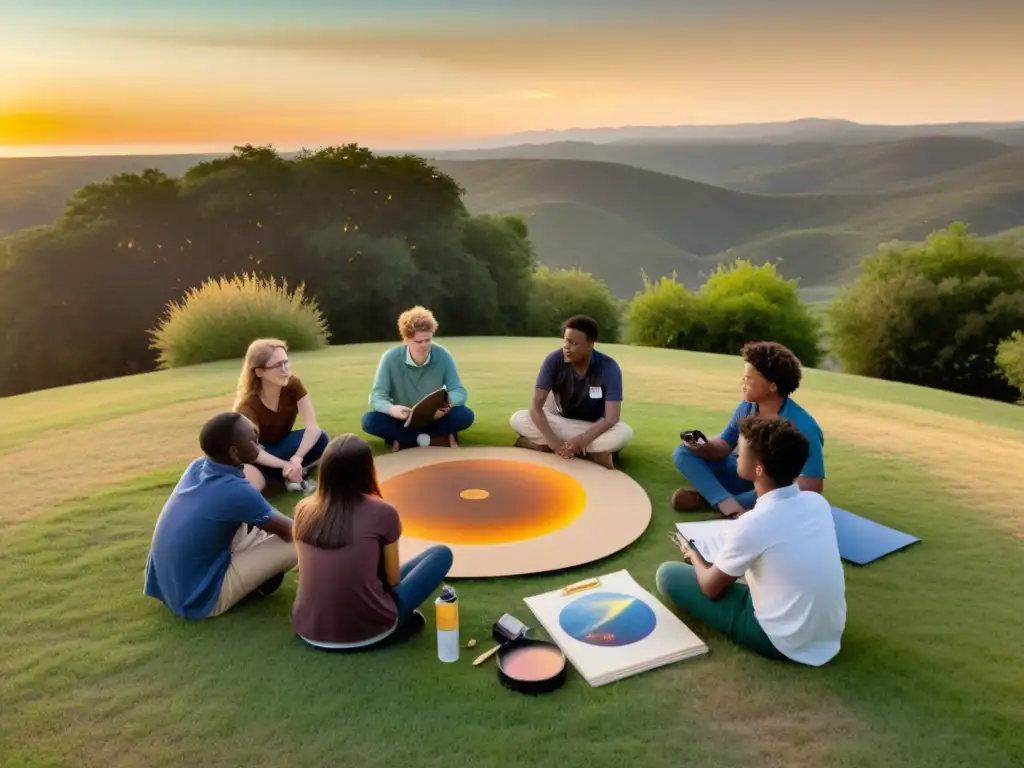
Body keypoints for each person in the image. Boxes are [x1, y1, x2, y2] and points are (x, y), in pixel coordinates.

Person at [656, 416, 846, 666]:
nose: (735, 453)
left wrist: (693, 555)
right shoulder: (817, 503)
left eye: (741, 450)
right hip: (829, 634)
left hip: (781, 640)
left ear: (758, 468)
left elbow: (710, 588)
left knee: (668, 575)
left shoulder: (754, 522)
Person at [290, 433, 454, 650]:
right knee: (441, 554)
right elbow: (393, 580)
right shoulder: (382, 512)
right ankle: (395, 624)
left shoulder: (304, 509)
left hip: (308, 629)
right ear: (367, 469)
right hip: (370, 630)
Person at [143, 412, 299, 620]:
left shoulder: (197, 467)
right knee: (299, 543)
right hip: (198, 599)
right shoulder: (234, 491)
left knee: (252, 523)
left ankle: (255, 557)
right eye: (253, 440)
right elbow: (295, 532)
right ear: (234, 453)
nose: (259, 444)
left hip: (169, 588)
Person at [672, 340, 824, 517]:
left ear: (772, 386)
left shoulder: (804, 426)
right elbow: (723, 445)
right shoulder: (747, 406)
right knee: (683, 453)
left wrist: (755, 497)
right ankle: (724, 502)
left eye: (748, 379)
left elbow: (811, 485)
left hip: (771, 487)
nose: (742, 384)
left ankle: (717, 499)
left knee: (775, 486)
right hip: (742, 470)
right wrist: (702, 446)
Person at [510, 314, 633, 469]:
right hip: (559, 419)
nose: (567, 347)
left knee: (624, 433)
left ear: (590, 345)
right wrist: (555, 443)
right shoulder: (554, 360)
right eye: (566, 341)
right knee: (519, 418)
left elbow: (611, 418)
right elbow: (536, 408)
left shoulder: (609, 367)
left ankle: (542, 445)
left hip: (592, 426)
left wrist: (580, 440)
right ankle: (591, 454)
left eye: (573, 343)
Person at [360, 306, 474, 451]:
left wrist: (446, 406)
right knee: (369, 420)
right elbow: (377, 396)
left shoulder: (443, 355)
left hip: (435, 417)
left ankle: (406, 439)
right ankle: (429, 437)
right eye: (418, 342)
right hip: (403, 418)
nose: (424, 346)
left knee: (465, 415)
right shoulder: (390, 358)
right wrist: (391, 409)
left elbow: (459, 391)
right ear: (406, 340)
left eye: (428, 340)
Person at [232, 338, 330, 494]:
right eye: (278, 365)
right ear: (259, 372)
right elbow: (253, 450)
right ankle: (289, 474)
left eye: (286, 362)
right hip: (259, 454)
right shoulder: (248, 405)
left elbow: (312, 427)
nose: (285, 370)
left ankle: (287, 475)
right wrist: (284, 464)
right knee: (249, 469)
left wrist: (297, 457)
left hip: (285, 445)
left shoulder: (293, 385)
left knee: (321, 438)